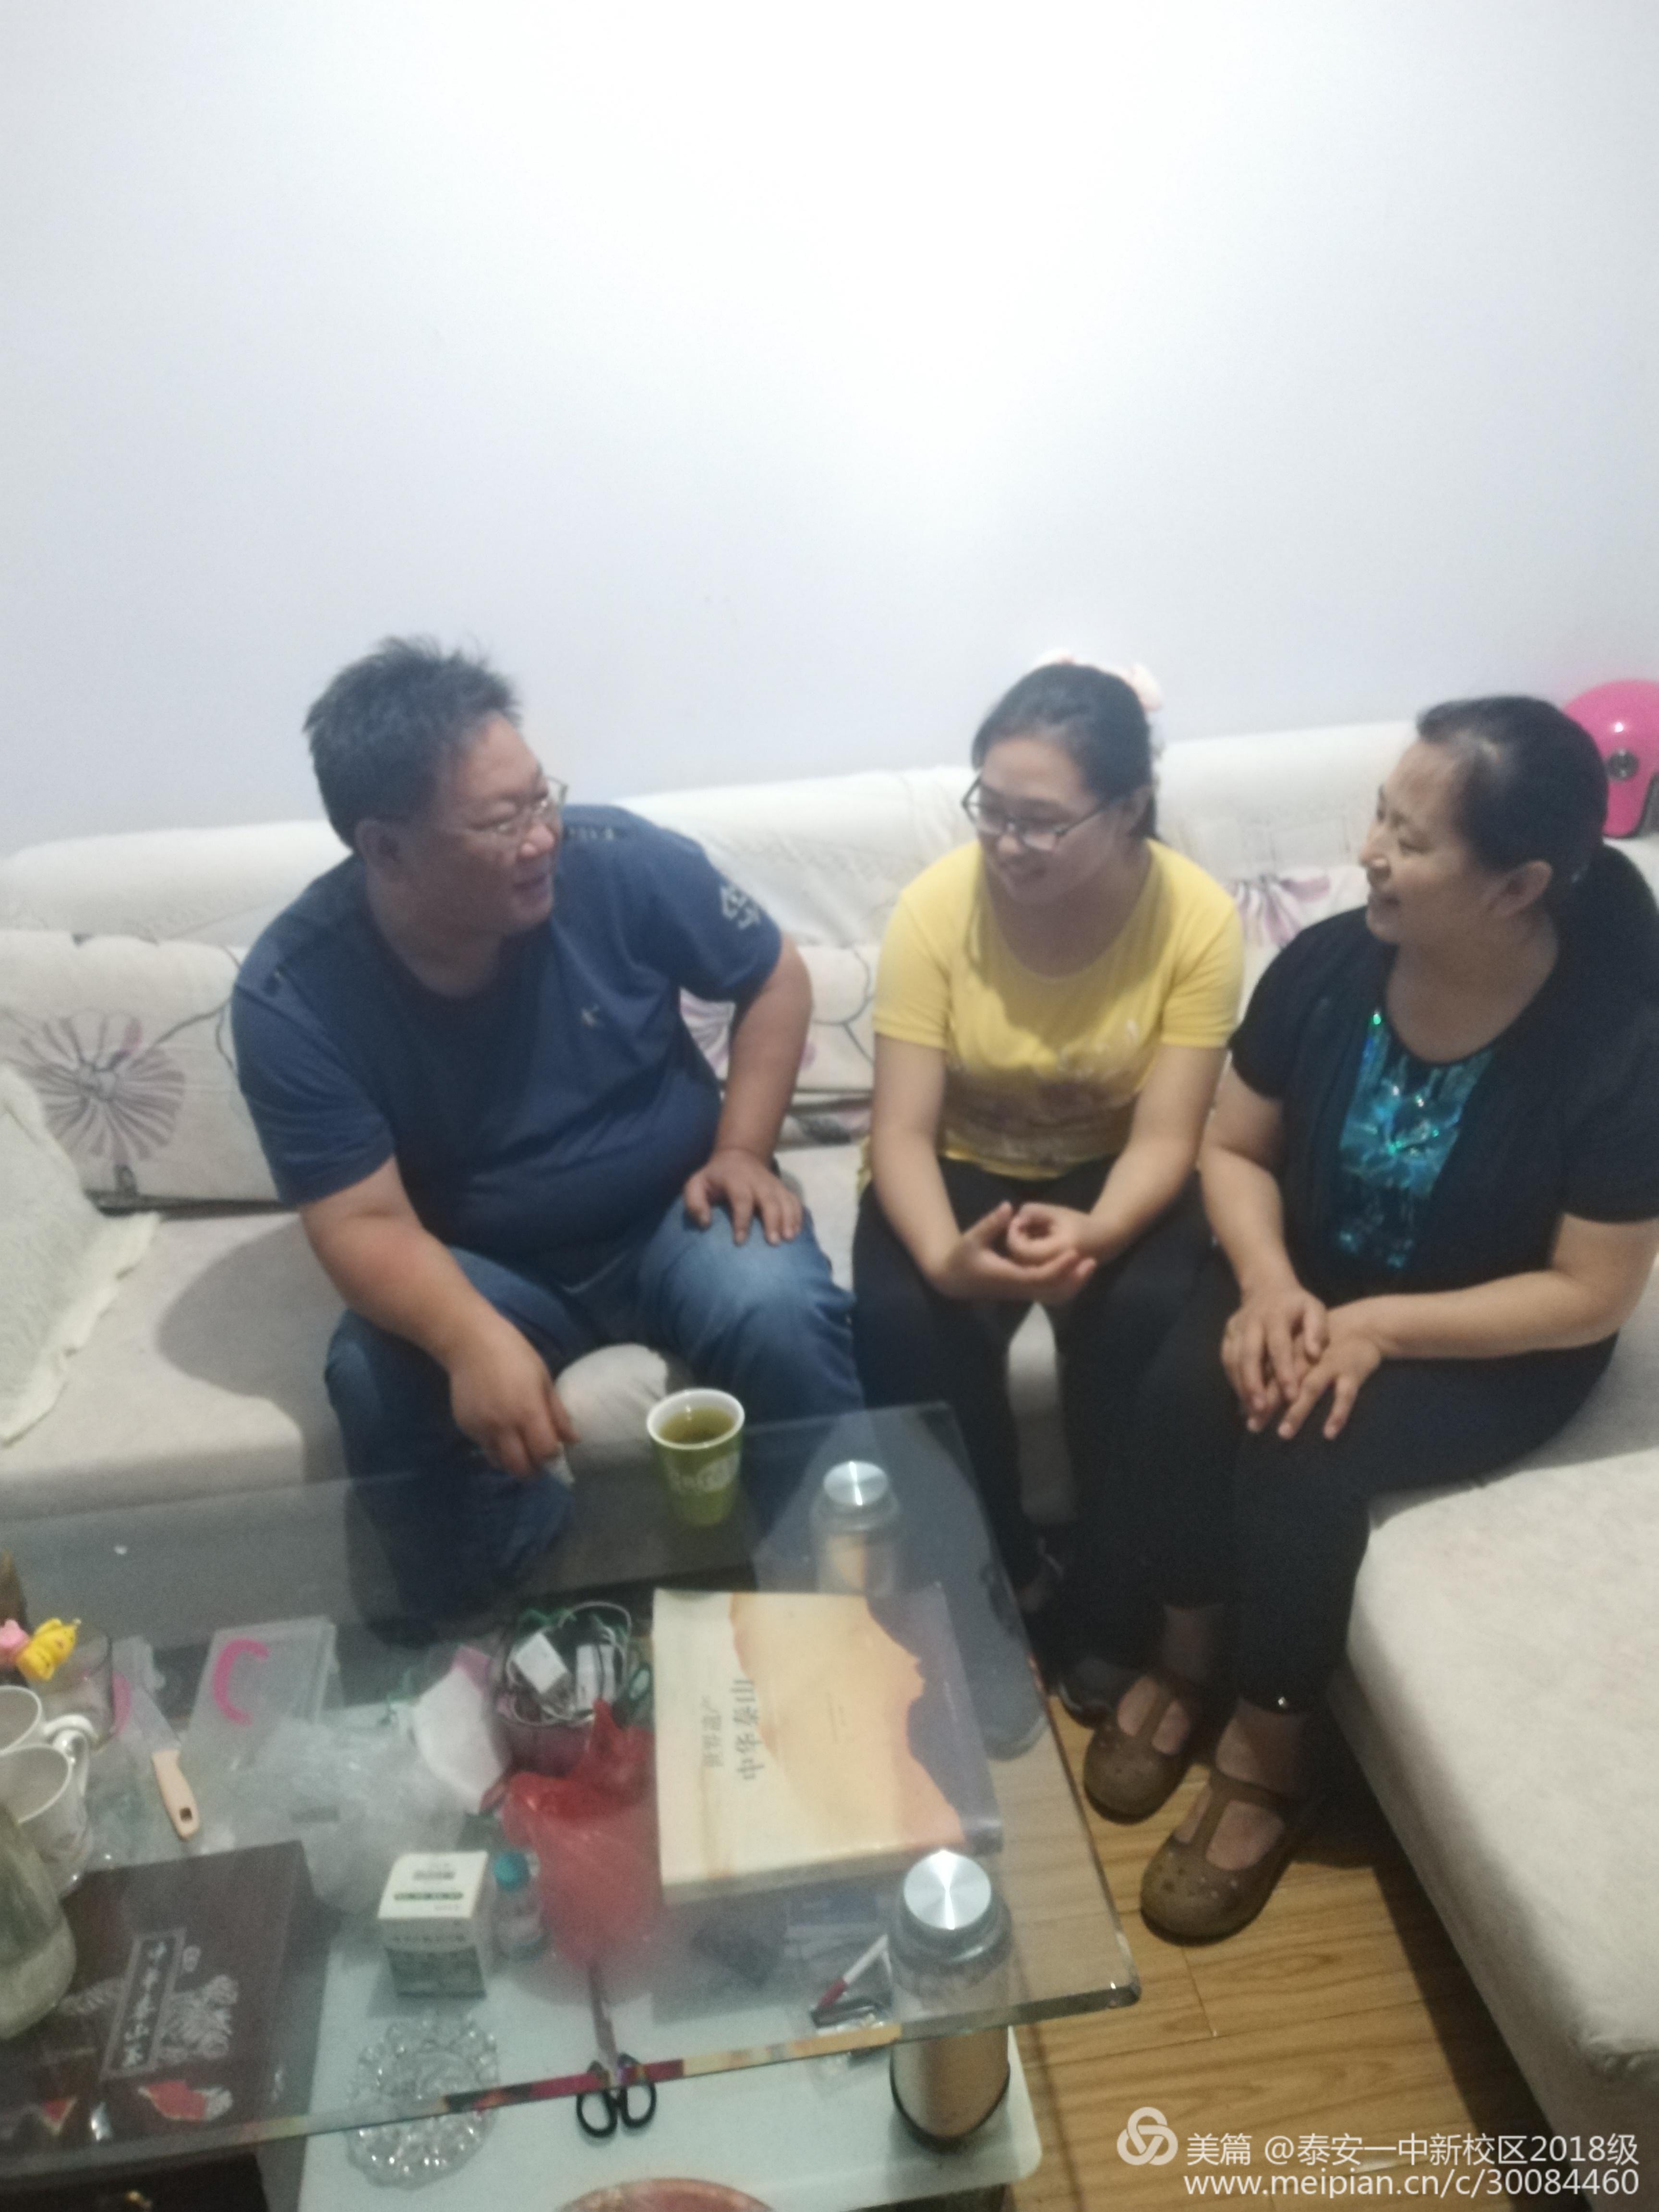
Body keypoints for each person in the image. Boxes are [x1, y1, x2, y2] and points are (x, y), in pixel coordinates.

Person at [1082, 697, 1659, 1941]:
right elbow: (1235, 1148)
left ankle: (1273, 1751)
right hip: (1308, 1271)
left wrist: (1386, 1328)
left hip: (1494, 1335)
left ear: (1519, 886)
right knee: (1184, 1386)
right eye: (1380, 817)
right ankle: (1188, 1652)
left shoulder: (1617, 1043)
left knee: (1304, 1445)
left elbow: (1592, 1291)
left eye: (1411, 838)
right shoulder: (1332, 963)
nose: (1370, 852)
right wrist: (1269, 1283)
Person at [232, 638, 861, 1616]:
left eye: (541, 800)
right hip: (483, 1259)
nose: (541, 840)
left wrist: (742, 1148)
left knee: (779, 1310)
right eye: (501, 823)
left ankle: (836, 1595)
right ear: (384, 848)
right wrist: (468, 1336)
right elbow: (360, 1222)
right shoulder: (296, 993)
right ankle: (493, 1627)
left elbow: (774, 976)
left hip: (676, 1210)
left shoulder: (619, 861)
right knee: (374, 1375)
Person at [852, 662, 1244, 1669]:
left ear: (1129, 810)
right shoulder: (937, 909)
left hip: (1112, 1163)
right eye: (990, 809)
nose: (1004, 842)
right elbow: (900, 1130)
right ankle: (998, 1577)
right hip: (959, 1157)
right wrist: (943, 1259)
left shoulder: (1196, 918)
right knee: (902, 1319)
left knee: (1149, 1316)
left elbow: (1168, 1137)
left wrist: (1100, 1232)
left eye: (1040, 823)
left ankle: (1113, 1601)